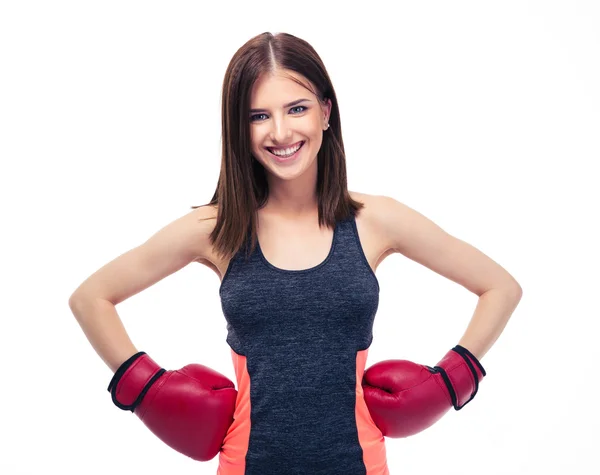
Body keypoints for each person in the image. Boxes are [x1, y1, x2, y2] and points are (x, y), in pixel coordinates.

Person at [69, 32, 523, 475]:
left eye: (297, 108)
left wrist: (450, 380)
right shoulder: (218, 228)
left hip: (360, 465)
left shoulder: (375, 220)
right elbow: (92, 298)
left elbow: (499, 286)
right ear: (239, 128)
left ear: (326, 112)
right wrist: (148, 390)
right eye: (258, 116)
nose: (280, 131)